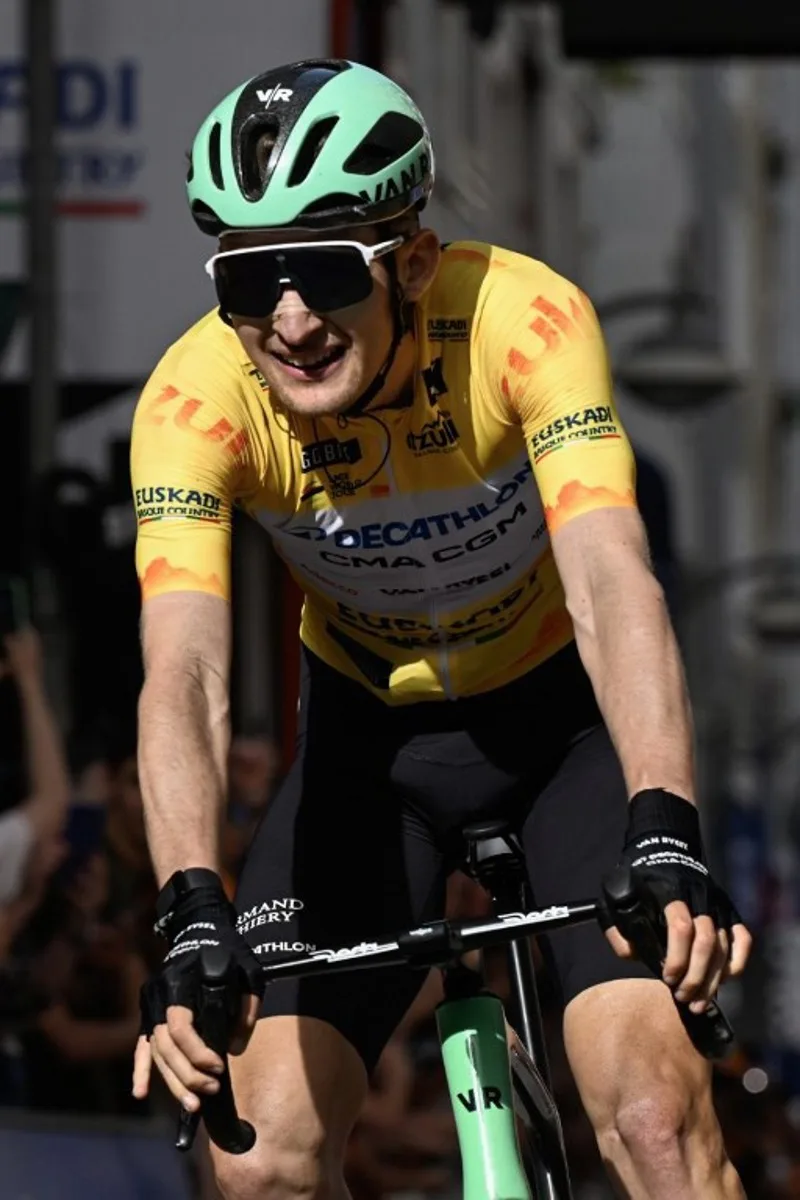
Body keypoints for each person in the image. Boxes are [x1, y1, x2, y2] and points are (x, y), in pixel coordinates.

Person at [130, 58, 752, 1199]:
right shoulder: (194, 399)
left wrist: (663, 822)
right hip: (373, 757)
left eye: (322, 273)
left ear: (411, 261)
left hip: (562, 736)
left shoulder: (522, 320)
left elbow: (612, 581)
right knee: (259, 1160)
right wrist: (187, 901)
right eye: (249, 281)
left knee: (657, 1122)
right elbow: (184, 670)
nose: (290, 320)